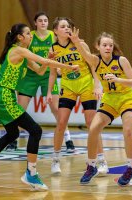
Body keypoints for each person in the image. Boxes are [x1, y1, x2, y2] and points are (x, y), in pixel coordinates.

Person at [0, 23, 78, 191]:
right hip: (3, 95)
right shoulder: (19, 50)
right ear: (20, 37)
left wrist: (50, 58)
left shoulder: (20, 53)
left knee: (13, 133)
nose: (31, 36)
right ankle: (31, 173)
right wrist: (69, 67)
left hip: (0, 95)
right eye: (28, 33)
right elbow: (43, 60)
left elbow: (40, 70)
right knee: (36, 130)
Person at [69, 28, 132, 186]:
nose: (108, 47)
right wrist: (75, 41)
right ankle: (92, 165)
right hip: (109, 100)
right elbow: (85, 55)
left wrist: (117, 79)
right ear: (98, 47)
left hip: (127, 98)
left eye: (110, 45)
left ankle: (130, 167)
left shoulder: (121, 61)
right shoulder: (95, 61)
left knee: (127, 130)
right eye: (105, 45)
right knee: (93, 128)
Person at [5, 12, 75, 153]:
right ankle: (13, 139)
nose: (43, 23)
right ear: (35, 23)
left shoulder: (53, 35)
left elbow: (61, 49)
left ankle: (68, 139)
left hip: (48, 74)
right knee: (20, 109)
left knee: (56, 108)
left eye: (46, 20)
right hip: (30, 75)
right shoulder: (28, 36)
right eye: (40, 20)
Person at [47, 17, 108, 175]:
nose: (66, 28)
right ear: (55, 31)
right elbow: (53, 72)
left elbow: (93, 64)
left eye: (68, 26)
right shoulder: (53, 49)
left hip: (86, 83)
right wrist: (49, 91)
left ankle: (101, 161)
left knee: (91, 123)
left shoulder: (80, 44)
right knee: (61, 123)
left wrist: (96, 84)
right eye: (62, 26)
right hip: (68, 86)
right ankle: (55, 160)